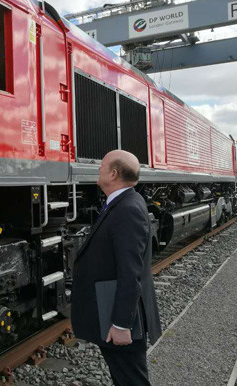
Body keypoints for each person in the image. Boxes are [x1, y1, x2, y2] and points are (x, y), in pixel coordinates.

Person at [71, 150, 162, 386]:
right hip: (111, 309)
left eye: (101, 166)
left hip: (121, 319)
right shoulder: (124, 202)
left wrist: (122, 324)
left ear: (113, 174)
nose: (97, 169)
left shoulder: (127, 209)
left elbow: (130, 272)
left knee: (131, 380)